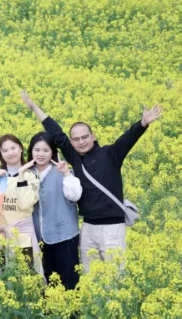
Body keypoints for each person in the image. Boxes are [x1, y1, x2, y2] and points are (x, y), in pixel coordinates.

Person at [21, 90, 162, 273]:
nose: (81, 142)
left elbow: (127, 139)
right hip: (88, 226)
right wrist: (33, 107)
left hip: (112, 227)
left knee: (114, 276)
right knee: (91, 276)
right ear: (72, 142)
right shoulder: (74, 157)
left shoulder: (111, 154)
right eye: (76, 139)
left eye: (85, 137)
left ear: (93, 136)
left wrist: (142, 124)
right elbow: (56, 132)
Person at [27, 132, 82, 289]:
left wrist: (66, 173)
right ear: (31, 151)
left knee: (69, 282)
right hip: (39, 239)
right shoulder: (27, 173)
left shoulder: (62, 171)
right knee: (46, 282)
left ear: (52, 152)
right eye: (37, 150)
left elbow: (75, 196)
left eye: (46, 150)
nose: (41, 154)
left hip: (65, 237)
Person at [0, 134, 41, 273]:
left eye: (13, 148)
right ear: (0, 154)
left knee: (27, 276)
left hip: (23, 236)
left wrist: (21, 175)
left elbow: (25, 204)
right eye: (5, 150)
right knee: (3, 277)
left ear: (21, 148)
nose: (10, 153)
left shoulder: (31, 176)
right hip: (1, 235)